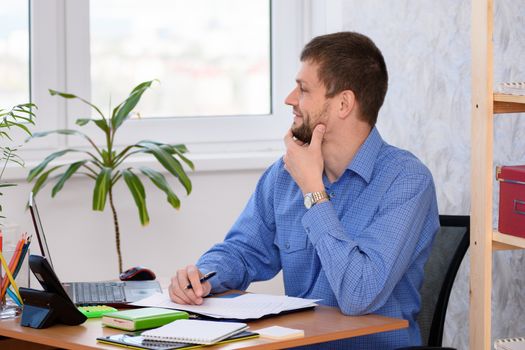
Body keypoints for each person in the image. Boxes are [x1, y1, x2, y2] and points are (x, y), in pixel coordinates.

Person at [169, 31, 439, 349]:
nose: (290, 99)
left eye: (303, 89)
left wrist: (313, 190)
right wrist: (201, 276)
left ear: (343, 104)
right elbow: (243, 251)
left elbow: (359, 294)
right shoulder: (284, 176)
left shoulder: (406, 181)